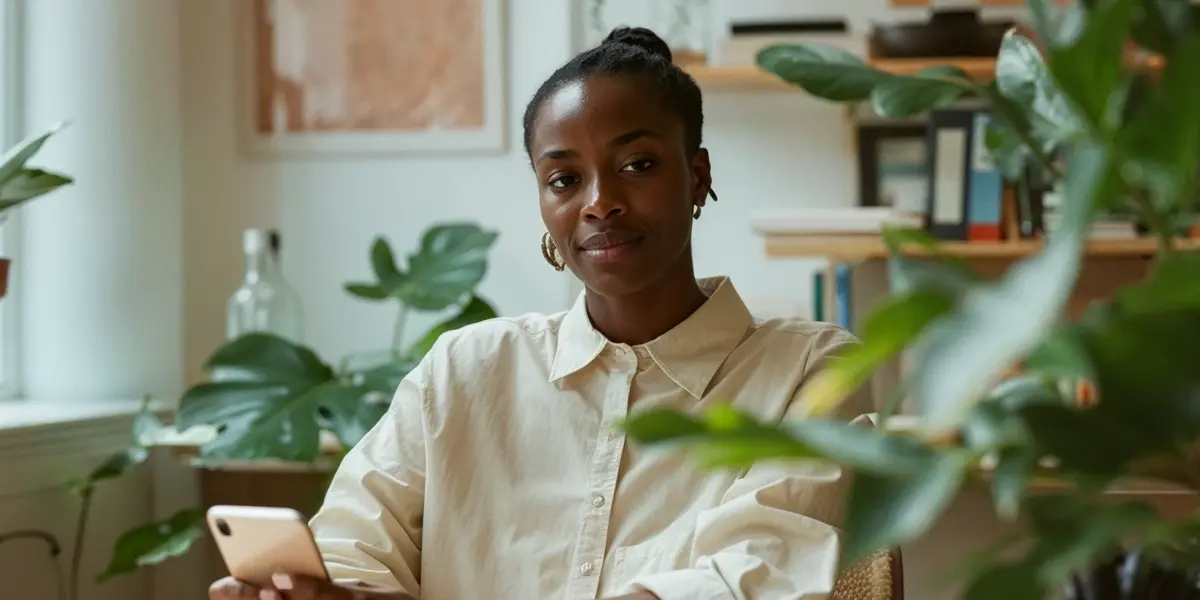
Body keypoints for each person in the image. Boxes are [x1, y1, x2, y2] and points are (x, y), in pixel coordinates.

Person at [210, 26, 872, 600]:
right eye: (564, 179)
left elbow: (751, 575)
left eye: (637, 165)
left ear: (697, 177)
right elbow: (353, 541)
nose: (599, 202)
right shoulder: (463, 369)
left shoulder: (813, 370)